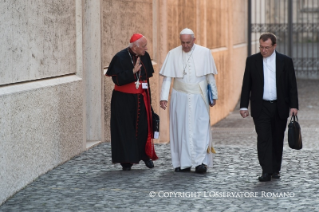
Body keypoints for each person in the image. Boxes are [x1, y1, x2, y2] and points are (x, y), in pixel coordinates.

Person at [240, 32, 298, 181]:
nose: (263, 50)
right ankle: (266, 171)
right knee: (264, 138)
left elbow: (292, 85)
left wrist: (293, 106)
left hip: (280, 106)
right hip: (261, 107)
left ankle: (275, 170)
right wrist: (243, 106)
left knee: (277, 139)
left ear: (274, 46)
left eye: (266, 47)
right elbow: (247, 84)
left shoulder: (285, 61)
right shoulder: (252, 61)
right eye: (261, 47)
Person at [159, 28, 218, 174]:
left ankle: (201, 162)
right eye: (183, 43)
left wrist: (214, 95)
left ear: (194, 40)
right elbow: (167, 78)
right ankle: (182, 163)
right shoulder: (173, 53)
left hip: (200, 97)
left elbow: (210, 76)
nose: (185, 46)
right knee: (180, 129)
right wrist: (163, 97)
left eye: (188, 42)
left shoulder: (205, 52)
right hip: (180, 97)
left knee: (200, 129)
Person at [105, 33, 158, 171]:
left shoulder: (144, 57)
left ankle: (145, 156)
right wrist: (132, 72)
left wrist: (149, 101)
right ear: (134, 47)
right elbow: (117, 80)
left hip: (141, 98)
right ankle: (126, 160)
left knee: (143, 129)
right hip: (123, 100)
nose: (146, 48)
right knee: (125, 129)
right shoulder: (119, 57)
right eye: (143, 46)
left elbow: (146, 80)